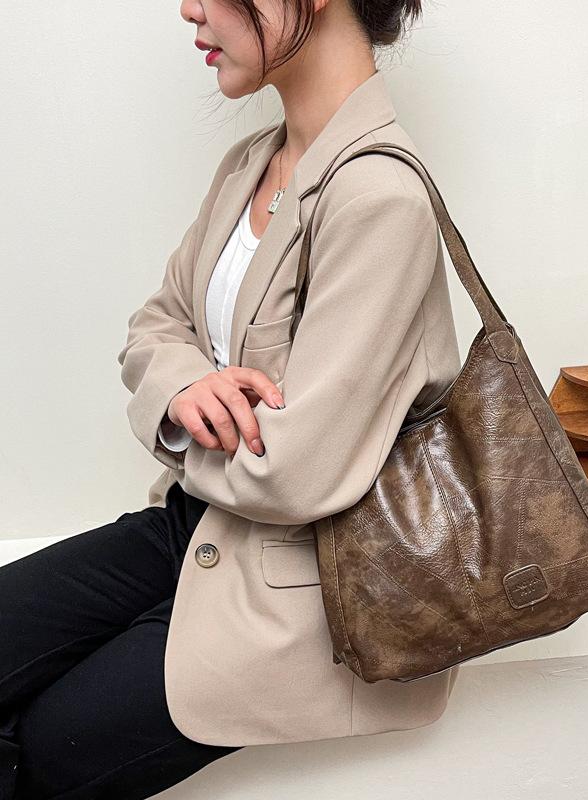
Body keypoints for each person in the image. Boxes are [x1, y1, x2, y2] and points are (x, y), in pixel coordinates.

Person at [0, 0, 462, 797]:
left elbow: (294, 473)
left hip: (299, 585)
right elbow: (156, 325)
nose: (189, 8)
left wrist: (182, 426)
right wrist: (186, 389)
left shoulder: (379, 198)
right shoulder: (254, 162)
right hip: (194, 524)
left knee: (43, 748)